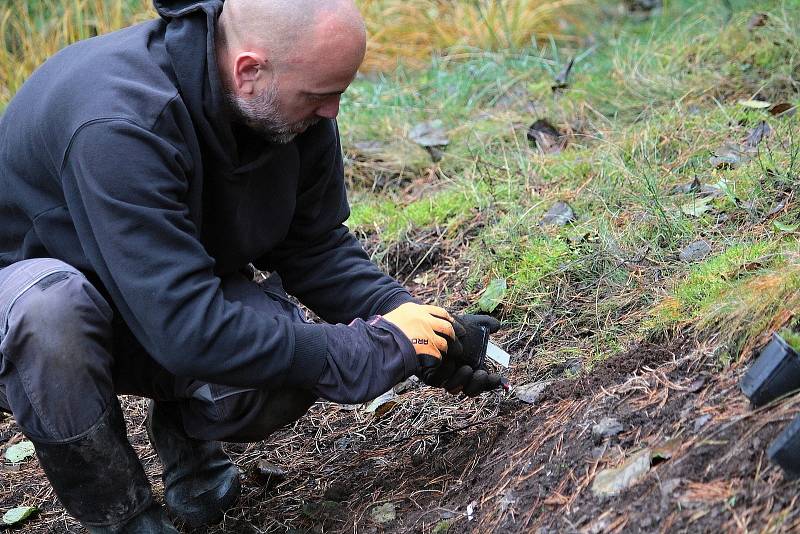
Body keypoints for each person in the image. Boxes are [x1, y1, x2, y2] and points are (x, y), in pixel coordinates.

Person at [0, 0, 502, 532]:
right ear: (248, 70)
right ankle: (125, 518)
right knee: (51, 312)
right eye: (319, 95)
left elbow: (313, 247)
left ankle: (185, 432)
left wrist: (422, 326)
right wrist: (369, 350)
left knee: (284, 361)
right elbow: (186, 328)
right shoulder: (121, 123)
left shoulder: (288, 105)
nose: (332, 111)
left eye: (338, 94)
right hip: (28, 307)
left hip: (158, 291)